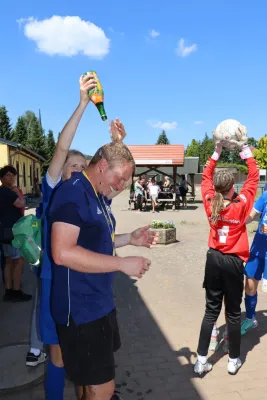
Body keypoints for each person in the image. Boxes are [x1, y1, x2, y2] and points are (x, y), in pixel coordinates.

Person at [48, 141, 157, 400]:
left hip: (99, 303)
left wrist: (129, 238)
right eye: (120, 179)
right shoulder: (72, 193)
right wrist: (121, 264)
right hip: (81, 310)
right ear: (103, 166)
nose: (120, 187)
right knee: (102, 390)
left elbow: (95, 240)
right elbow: (62, 252)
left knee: (89, 385)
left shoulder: (96, 193)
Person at [25, 74, 97, 391]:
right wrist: (82, 104)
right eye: (73, 167)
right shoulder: (55, 192)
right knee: (58, 357)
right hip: (56, 287)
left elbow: (113, 178)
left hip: (84, 291)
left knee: (81, 356)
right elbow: (62, 148)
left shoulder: (88, 201)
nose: (79, 172)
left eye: (84, 167)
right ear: (62, 171)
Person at [194, 142, 258, 376]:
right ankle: (233, 360)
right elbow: (253, 175)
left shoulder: (211, 202)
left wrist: (216, 152)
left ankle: (201, 360)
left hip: (213, 259)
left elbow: (205, 176)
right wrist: (244, 149)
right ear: (232, 186)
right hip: (232, 262)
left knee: (211, 311)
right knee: (233, 313)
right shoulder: (240, 205)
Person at [0, 165, 31, 302]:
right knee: (19, 260)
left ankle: (8, 290)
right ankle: (16, 290)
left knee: (8, 260)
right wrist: (17, 192)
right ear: (1, 178)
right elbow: (21, 204)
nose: (11, 177)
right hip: (13, 231)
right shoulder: (9, 192)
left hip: (3, 231)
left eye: (13, 175)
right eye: (8, 175)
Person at [241, 189, 267, 335]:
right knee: (249, 284)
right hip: (258, 250)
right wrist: (236, 221)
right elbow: (252, 215)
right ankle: (250, 318)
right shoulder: (266, 195)